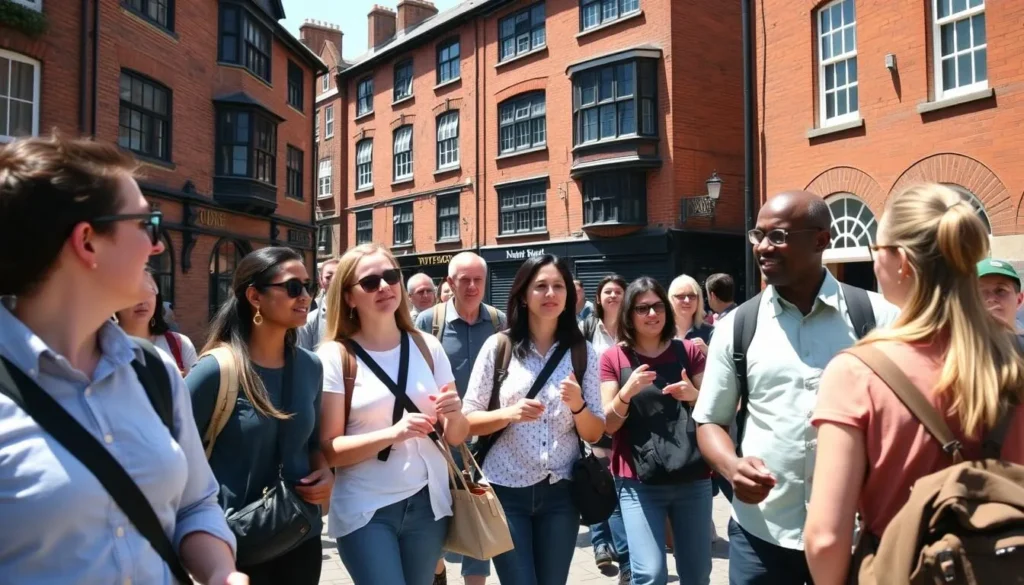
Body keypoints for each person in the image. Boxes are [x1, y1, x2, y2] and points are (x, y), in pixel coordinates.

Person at [0, 135, 242, 584]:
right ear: (87, 242)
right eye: (147, 222)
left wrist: (220, 572)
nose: (155, 246)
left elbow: (195, 504)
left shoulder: (153, 371)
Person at [805, 183, 1024, 584]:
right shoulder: (1016, 362)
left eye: (876, 250)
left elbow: (824, 538)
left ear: (901, 261)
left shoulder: (858, 373)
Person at [693, 190, 898, 585]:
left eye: (779, 237)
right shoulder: (737, 327)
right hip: (762, 535)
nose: (764, 248)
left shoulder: (879, 319)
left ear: (821, 240)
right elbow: (709, 421)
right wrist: (732, 467)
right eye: (758, 236)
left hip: (856, 535)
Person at [317, 243, 469, 585]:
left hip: (428, 504)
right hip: (366, 509)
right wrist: (393, 433)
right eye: (370, 282)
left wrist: (456, 415)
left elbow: (457, 436)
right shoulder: (335, 356)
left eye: (390, 277)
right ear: (349, 297)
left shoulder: (427, 347)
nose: (384, 287)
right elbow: (329, 449)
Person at [187, 247, 332, 584]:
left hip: (299, 534)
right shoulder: (216, 370)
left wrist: (326, 473)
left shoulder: (310, 366)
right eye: (293, 287)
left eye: (308, 286)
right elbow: (172, 453)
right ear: (255, 296)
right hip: (234, 542)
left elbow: (312, 443)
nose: (306, 297)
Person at [463, 254, 605, 585]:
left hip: (562, 492)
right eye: (541, 286)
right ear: (524, 296)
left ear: (569, 295)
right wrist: (508, 414)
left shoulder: (582, 352)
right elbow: (468, 418)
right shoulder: (499, 346)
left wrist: (579, 406)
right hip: (504, 489)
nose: (550, 294)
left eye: (558, 286)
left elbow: (596, 432)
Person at [600, 277, 712, 585]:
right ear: (629, 314)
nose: (652, 314)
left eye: (657, 306)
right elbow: (608, 424)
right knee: (649, 573)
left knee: (697, 573)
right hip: (637, 481)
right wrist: (627, 392)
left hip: (692, 476)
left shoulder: (689, 352)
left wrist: (694, 396)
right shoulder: (614, 358)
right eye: (642, 308)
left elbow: (723, 409)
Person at [414, 252, 505, 585]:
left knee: (477, 513)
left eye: (477, 280)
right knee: (435, 511)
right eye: (463, 280)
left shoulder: (499, 323)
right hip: (438, 439)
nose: (471, 287)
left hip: (484, 437)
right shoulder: (428, 322)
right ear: (449, 283)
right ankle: (437, 566)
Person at [579, 274, 630, 581]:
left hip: (625, 415)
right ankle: (606, 548)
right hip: (594, 416)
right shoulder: (586, 330)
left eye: (618, 291)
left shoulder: (634, 330)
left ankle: (606, 546)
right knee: (601, 479)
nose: (612, 296)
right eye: (607, 292)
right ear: (598, 299)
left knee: (618, 484)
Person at [116, 271, 199, 375]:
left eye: (148, 291)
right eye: (133, 291)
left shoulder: (180, 344)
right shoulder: (99, 349)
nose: (141, 301)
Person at [297, 258, 338, 350]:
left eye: (340, 276)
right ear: (321, 281)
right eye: (328, 277)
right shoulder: (308, 321)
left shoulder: (361, 315)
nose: (335, 281)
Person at [668, 275, 713, 354]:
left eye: (692, 296)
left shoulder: (710, 332)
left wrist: (707, 352)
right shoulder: (660, 332)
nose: (687, 300)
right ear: (671, 299)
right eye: (681, 296)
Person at [977, 257, 1023, 331]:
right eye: (981, 292)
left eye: (1000, 291)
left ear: (1019, 300)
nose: (991, 299)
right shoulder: (959, 341)